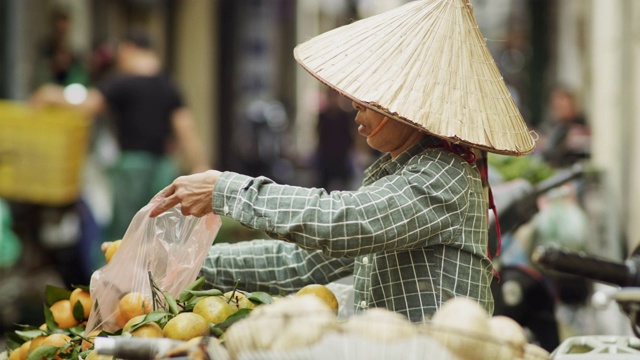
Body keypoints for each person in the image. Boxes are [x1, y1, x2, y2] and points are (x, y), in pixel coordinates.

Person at [149, 0, 536, 322]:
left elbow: (345, 221)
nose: (354, 106)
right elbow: (306, 266)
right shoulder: (400, 170)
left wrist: (226, 190)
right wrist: (187, 263)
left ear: (406, 108)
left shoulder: (442, 176)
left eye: (367, 99)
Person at [31, 28, 209, 243]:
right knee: (160, 230)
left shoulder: (122, 82)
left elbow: (88, 104)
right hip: (163, 166)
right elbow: (185, 127)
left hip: (131, 166)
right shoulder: (168, 84)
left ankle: (118, 274)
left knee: (126, 232)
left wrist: (51, 95)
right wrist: (200, 165)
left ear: (129, 49)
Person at [538, 87, 591, 169]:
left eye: (562, 105)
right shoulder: (556, 126)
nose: (559, 109)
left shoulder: (580, 128)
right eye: (556, 106)